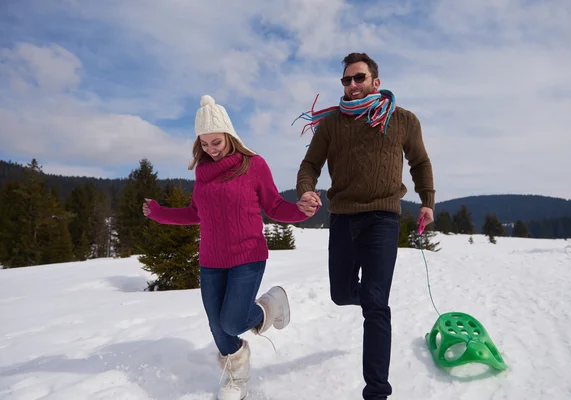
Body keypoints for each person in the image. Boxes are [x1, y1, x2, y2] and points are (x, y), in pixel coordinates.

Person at [143, 95, 318, 400]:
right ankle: (237, 377)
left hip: (247, 256)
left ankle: (270, 305)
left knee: (233, 321)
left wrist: (300, 211)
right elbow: (197, 213)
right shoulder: (202, 173)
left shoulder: (254, 165)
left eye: (216, 142)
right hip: (211, 259)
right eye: (205, 144)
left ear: (229, 136)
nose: (211, 149)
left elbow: (274, 206)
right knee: (218, 326)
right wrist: (160, 214)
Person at [294, 52, 435, 400]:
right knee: (341, 294)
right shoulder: (331, 125)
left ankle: (377, 392)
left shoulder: (402, 119)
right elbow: (310, 164)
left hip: (383, 217)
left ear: (376, 80)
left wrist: (428, 201)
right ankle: (370, 296)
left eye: (359, 78)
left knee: (376, 305)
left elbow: (419, 161)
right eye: (347, 80)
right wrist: (306, 189)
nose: (353, 85)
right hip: (342, 217)